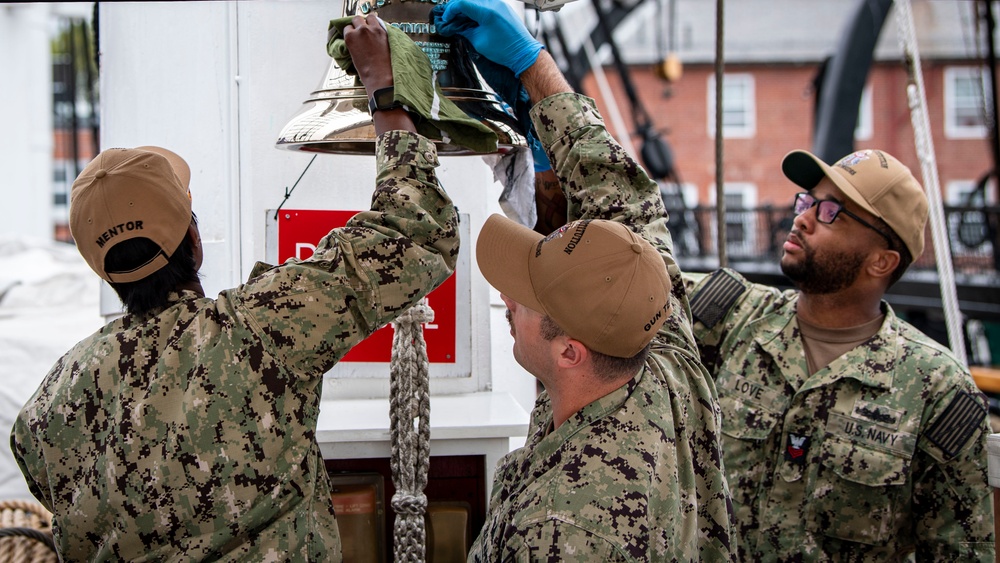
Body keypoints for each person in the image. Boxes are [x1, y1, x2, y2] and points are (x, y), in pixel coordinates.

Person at [11, 16, 458, 561]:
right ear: (193, 243)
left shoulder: (47, 408)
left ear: (105, 270)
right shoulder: (261, 330)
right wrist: (386, 93)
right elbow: (417, 233)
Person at [432, 1, 736, 560]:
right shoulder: (662, 361)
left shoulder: (567, 530)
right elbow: (624, 197)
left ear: (571, 351)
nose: (505, 298)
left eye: (522, 295)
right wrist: (531, 67)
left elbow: (631, 206)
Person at [685, 149, 996, 560]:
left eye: (831, 212)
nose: (802, 218)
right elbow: (619, 268)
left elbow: (960, 549)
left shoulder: (936, 389)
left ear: (881, 261)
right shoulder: (732, 318)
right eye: (807, 201)